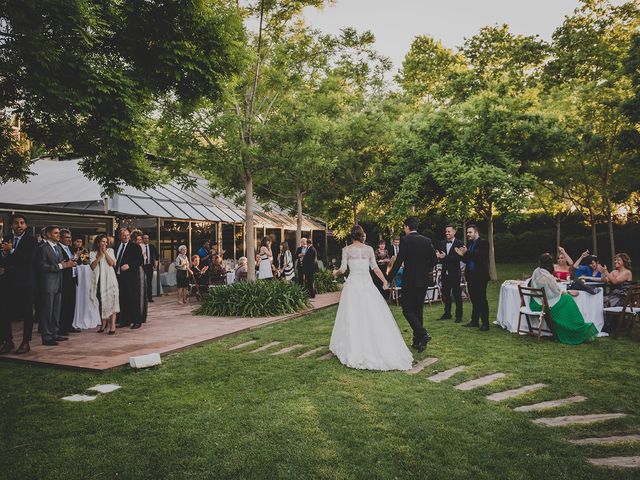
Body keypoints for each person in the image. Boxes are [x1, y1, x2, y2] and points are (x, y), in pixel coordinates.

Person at [330, 225, 413, 371]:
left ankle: (354, 346)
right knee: (371, 314)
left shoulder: (347, 250)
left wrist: (335, 273)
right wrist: (384, 280)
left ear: (351, 235)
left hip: (353, 286)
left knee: (352, 315)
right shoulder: (368, 250)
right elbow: (375, 268)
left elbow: (343, 269)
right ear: (362, 235)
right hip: (367, 285)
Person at [387, 217, 438, 351]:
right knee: (418, 310)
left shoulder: (406, 239)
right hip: (422, 280)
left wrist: (389, 278)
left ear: (407, 227)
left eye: (404, 227)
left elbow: (399, 261)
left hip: (410, 280)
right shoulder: (426, 241)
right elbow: (434, 260)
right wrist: (423, 268)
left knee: (407, 310)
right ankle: (419, 342)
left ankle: (423, 334)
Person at [529, 253, 598, 345]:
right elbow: (554, 292)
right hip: (542, 305)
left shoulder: (537, 271)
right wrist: (568, 292)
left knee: (566, 299)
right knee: (568, 299)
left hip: (535, 302)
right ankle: (577, 328)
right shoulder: (546, 276)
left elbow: (550, 291)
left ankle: (574, 325)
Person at [0, 214, 38, 354]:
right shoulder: (6, 239)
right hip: (7, 281)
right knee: (4, 311)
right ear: (12, 226)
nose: (19, 225)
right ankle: (7, 341)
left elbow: (29, 260)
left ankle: (25, 342)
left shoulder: (31, 241)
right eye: (16, 223)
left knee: (27, 313)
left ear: (26, 226)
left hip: (25, 282)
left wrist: (12, 250)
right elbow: (5, 260)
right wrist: (3, 257)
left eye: (22, 223)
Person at [36, 226, 77, 346]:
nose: (58, 235)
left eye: (59, 233)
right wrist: (61, 266)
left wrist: (67, 263)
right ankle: (47, 337)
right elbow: (42, 266)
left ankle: (54, 333)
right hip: (47, 284)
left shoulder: (58, 248)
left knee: (55, 311)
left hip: (59, 283)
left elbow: (62, 263)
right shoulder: (42, 248)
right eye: (56, 233)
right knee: (47, 311)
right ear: (48, 235)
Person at [455, 225, 490, 331]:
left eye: (470, 232)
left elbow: (480, 258)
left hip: (480, 276)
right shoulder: (469, 244)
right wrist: (462, 255)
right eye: (467, 232)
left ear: (476, 232)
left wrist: (466, 252)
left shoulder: (483, 243)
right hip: (470, 276)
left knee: (481, 299)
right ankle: (474, 321)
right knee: (474, 299)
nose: (468, 234)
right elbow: (468, 259)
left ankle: (485, 324)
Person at [89, 234, 120, 334]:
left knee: (112, 302)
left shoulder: (111, 251)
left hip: (110, 280)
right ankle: (103, 323)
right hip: (99, 281)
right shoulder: (93, 253)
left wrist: (105, 253)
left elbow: (112, 263)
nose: (105, 244)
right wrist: (99, 257)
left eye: (106, 242)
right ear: (98, 243)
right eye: (103, 242)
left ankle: (113, 325)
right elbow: (92, 266)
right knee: (102, 303)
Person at [115, 227, 145, 327]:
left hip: (132, 278)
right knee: (123, 299)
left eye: (127, 235)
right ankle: (124, 321)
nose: (126, 237)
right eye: (124, 235)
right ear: (120, 236)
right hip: (120, 277)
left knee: (134, 299)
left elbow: (140, 260)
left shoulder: (135, 247)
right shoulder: (117, 246)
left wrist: (129, 265)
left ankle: (137, 321)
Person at [436, 225, 464, 323]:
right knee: (446, 294)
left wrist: (445, 257)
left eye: (449, 231)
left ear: (454, 232)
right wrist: (438, 256)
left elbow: (459, 258)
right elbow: (440, 256)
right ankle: (447, 313)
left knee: (457, 294)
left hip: (455, 272)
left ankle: (459, 316)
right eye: (446, 231)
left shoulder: (459, 243)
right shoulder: (442, 243)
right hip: (444, 272)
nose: (447, 233)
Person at [58, 228, 81, 335]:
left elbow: (76, 260)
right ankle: (62, 328)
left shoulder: (71, 248)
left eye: (70, 237)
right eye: (66, 237)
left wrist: (77, 256)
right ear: (60, 238)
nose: (69, 239)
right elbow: (61, 262)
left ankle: (69, 325)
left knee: (71, 303)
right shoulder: (58, 248)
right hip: (63, 279)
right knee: (63, 304)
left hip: (73, 278)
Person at [132, 231, 148, 324]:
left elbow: (143, 260)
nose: (139, 241)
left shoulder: (142, 247)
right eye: (137, 239)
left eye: (140, 239)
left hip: (140, 269)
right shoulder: (132, 247)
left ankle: (141, 315)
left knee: (141, 293)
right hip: (132, 271)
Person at [142, 234, 158, 303]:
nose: (146, 239)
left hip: (149, 266)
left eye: (147, 238)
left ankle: (150, 298)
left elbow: (157, 255)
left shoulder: (151, 246)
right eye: (145, 238)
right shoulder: (140, 247)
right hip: (142, 266)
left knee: (149, 282)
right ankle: (142, 298)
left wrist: (156, 263)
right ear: (143, 239)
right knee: (142, 282)